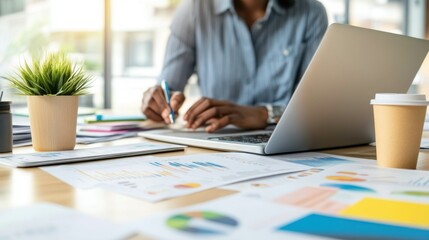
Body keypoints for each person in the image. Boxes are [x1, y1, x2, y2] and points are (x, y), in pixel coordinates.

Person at [141, 0, 328, 132]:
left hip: (286, 142)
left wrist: (265, 114)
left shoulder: (310, 13)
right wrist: (158, 105)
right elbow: (168, 91)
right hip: (214, 139)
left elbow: (317, 107)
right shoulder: (194, 9)